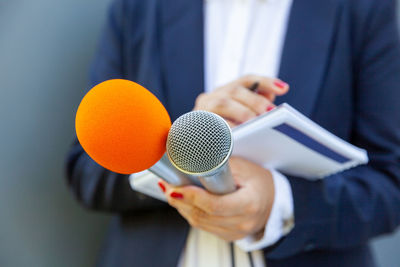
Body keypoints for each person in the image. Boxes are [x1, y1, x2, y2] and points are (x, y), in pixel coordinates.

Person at [65, 0, 400, 266]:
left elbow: (391, 184)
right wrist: (182, 145)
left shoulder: (363, 8)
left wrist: (279, 203)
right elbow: (88, 172)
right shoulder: (138, 8)